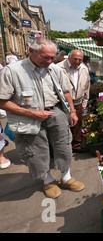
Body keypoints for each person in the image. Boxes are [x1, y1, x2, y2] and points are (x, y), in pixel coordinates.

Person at [0, 39, 85, 199]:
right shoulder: (12, 71)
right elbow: (2, 101)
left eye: (53, 57)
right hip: (28, 117)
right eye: (45, 57)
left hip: (56, 111)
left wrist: (72, 111)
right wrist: (33, 114)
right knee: (36, 150)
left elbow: (66, 90)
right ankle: (48, 180)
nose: (50, 61)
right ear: (31, 51)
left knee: (64, 144)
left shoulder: (54, 69)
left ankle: (66, 177)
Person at [58, 49, 90, 153]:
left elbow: (87, 87)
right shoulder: (58, 68)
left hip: (78, 101)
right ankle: (63, 147)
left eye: (80, 60)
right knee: (62, 125)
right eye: (75, 59)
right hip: (62, 102)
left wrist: (85, 102)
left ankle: (76, 145)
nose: (77, 62)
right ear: (69, 57)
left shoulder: (83, 69)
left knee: (77, 124)